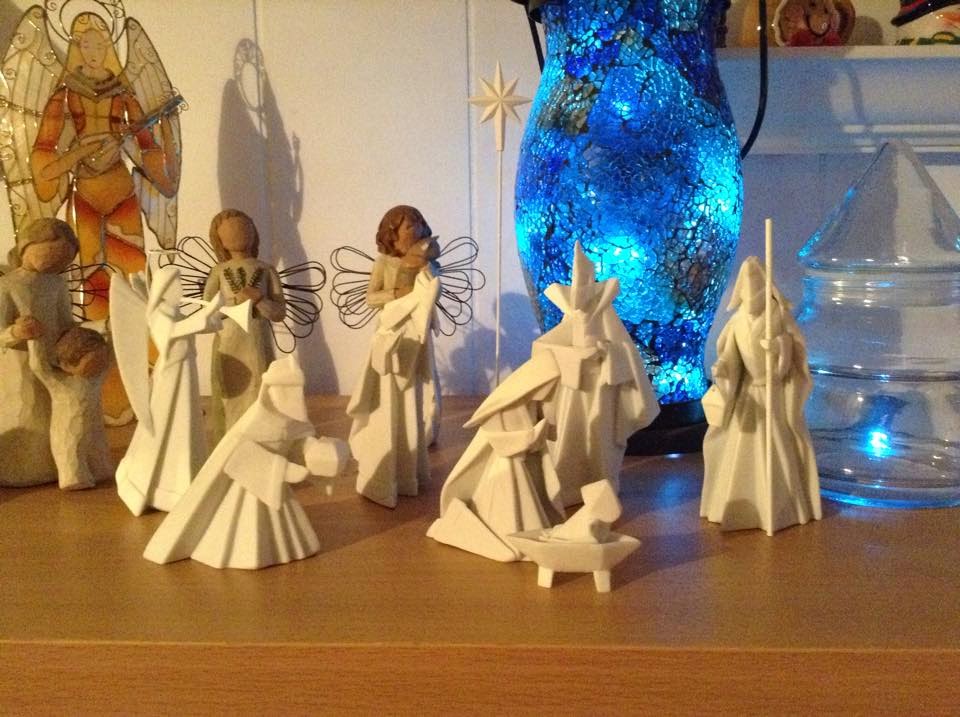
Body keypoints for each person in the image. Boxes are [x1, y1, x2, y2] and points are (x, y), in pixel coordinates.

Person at [30, 11, 180, 422]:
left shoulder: (124, 93)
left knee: (135, 283)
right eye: (86, 44)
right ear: (76, 49)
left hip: (122, 194)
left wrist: (157, 138)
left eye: (101, 43)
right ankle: (105, 386)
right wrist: (79, 152)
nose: (94, 52)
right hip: (85, 197)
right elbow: (43, 154)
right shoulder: (63, 95)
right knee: (93, 284)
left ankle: (147, 385)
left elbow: (148, 147)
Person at [144, 356, 348, 570]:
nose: (290, 397)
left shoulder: (294, 421)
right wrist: (283, 469)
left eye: (294, 390)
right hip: (249, 486)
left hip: (274, 488)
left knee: (282, 530)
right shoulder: (255, 422)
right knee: (246, 529)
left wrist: (318, 452)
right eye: (284, 390)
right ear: (269, 390)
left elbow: (297, 444)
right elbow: (241, 456)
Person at [700, 257, 822, 535]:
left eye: (757, 289)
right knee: (740, 444)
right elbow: (730, 358)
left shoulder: (778, 318)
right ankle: (737, 503)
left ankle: (779, 505)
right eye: (746, 291)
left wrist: (779, 348)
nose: (751, 296)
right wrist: (723, 368)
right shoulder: (737, 322)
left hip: (773, 394)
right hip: (749, 394)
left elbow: (794, 357)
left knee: (775, 443)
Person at [114, 266, 222, 516]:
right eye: (175, 285)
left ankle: (187, 479)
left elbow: (199, 326)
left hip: (185, 371)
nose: (179, 290)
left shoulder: (175, 311)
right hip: (171, 376)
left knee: (187, 423)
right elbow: (172, 333)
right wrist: (206, 313)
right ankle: (162, 486)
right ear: (164, 288)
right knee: (169, 422)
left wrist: (214, 317)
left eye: (179, 285)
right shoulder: (158, 313)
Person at [0, 218, 79, 486]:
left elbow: (66, 322)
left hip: (54, 360)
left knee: (53, 417)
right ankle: (18, 470)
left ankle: (54, 466)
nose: (57, 264)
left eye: (64, 260)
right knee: (26, 415)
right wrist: (15, 332)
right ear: (27, 246)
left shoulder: (56, 284)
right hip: (19, 366)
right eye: (52, 254)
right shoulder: (8, 285)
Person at [203, 209, 286, 439]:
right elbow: (207, 313)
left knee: (260, 390)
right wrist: (234, 302)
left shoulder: (266, 270)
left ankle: (262, 439)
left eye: (243, 227)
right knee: (231, 394)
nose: (238, 232)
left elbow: (279, 312)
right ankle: (230, 442)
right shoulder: (219, 272)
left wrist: (260, 300)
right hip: (229, 346)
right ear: (219, 240)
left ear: (253, 232)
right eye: (229, 231)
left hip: (258, 344)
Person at [364, 205, 441, 444]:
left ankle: (425, 428)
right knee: (393, 379)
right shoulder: (384, 263)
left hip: (419, 329)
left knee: (423, 377)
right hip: (392, 331)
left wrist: (426, 272)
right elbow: (371, 298)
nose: (416, 229)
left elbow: (434, 292)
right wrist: (398, 293)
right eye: (409, 226)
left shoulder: (427, 262)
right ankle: (392, 429)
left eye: (419, 223)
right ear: (392, 235)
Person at [28, 326, 113, 490]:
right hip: (67, 431)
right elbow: (38, 367)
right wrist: (35, 341)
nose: (100, 365)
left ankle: (99, 471)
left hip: (94, 429)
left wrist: (112, 331)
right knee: (71, 456)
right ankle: (73, 478)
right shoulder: (61, 384)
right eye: (92, 363)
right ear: (66, 364)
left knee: (99, 457)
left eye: (101, 360)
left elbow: (111, 357)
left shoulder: (95, 378)